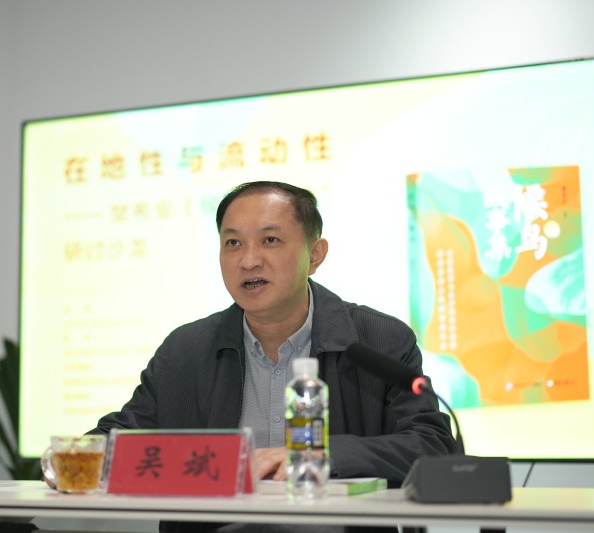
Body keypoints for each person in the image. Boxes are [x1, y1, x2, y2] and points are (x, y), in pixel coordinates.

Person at [90, 181, 456, 532]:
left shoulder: (377, 340)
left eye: (270, 240)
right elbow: (118, 439)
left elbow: (431, 445)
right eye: (233, 243)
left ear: (315, 255)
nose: (248, 260)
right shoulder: (185, 350)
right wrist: (79, 455)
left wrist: (322, 455)